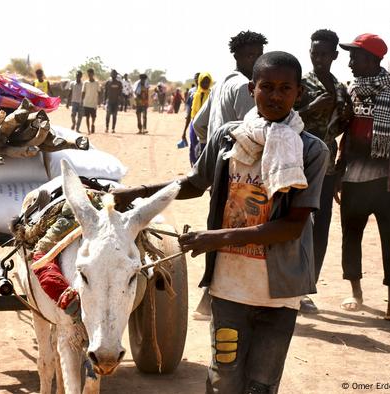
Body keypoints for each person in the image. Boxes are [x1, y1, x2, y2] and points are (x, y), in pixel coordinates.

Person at [113, 51, 328, 393]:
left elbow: (292, 226)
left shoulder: (311, 151)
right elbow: (195, 184)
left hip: (280, 293)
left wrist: (215, 239)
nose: (275, 96)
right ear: (250, 91)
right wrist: (137, 192)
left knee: (262, 384)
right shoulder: (229, 137)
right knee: (223, 378)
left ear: (298, 93)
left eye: (285, 88)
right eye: (266, 87)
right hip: (230, 287)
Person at [336, 34, 390, 321]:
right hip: (353, 180)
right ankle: (356, 293)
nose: (349, 63)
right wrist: (338, 173)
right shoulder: (351, 89)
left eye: (354, 57)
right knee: (351, 237)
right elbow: (346, 135)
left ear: (372, 59)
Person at [191, 30, 266, 318]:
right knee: (237, 234)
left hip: (219, 169)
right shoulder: (247, 88)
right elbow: (255, 132)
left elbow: (199, 125)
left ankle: (210, 298)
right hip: (240, 173)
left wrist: (212, 149)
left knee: (219, 229)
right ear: (237, 56)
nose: (257, 60)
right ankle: (221, 299)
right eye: (251, 55)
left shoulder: (222, 82)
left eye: (260, 54)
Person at [293, 29, 352, 313]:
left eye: (324, 54)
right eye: (314, 53)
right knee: (296, 224)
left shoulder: (341, 89)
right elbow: (284, 119)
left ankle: (307, 288)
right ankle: (289, 284)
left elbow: (346, 128)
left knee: (322, 228)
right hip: (299, 165)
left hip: (327, 168)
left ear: (334, 56)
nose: (318, 58)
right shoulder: (299, 84)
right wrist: (312, 107)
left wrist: (340, 169)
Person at [188, 72, 212, 165]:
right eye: (203, 82)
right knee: (194, 146)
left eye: (207, 82)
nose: (205, 84)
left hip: (207, 126)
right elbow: (192, 112)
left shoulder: (212, 94)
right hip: (195, 125)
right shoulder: (195, 95)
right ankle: (194, 166)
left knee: (205, 148)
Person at [181, 73, 199, 144]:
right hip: (193, 119)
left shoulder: (209, 92)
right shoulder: (192, 91)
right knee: (193, 144)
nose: (197, 80)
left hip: (204, 124)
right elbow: (190, 107)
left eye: (198, 78)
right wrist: (184, 131)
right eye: (195, 78)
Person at [81, 68, 100, 134]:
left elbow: (99, 92)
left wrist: (99, 101)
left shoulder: (96, 83)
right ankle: (88, 129)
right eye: (88, 74)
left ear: (93, 74)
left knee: (94, 116)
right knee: (87, 117)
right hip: (86, 102)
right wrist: (81, 100)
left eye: (91, 74)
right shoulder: (85, 83)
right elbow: (83, 92)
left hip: (94, 103)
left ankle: (92, 124)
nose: (89, 75)